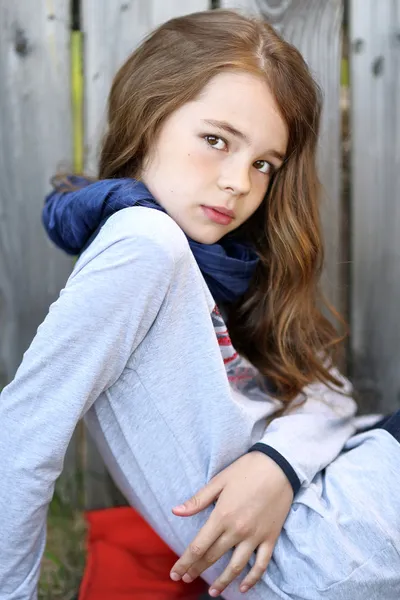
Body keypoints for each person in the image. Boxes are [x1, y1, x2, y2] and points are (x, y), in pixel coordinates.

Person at [0, 8, 399, 600]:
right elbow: (22, 438)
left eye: (264, 163)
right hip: (318, 545)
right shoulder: (145, 244)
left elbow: (330, 391)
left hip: (330, 496)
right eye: (216, 140)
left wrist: (277, 464)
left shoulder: (223, 263)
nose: (240, 181)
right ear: (150, 117)